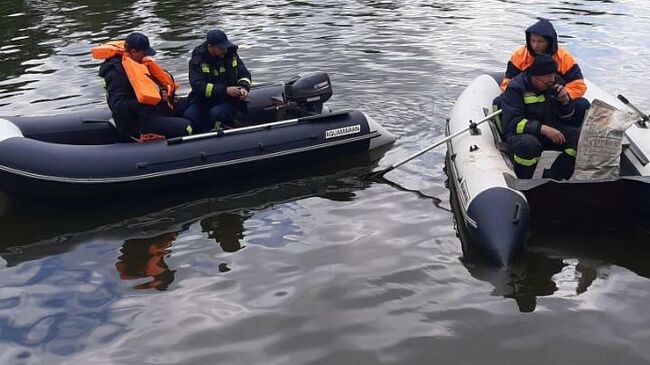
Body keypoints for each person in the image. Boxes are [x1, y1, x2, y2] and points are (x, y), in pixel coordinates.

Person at [92, 32, 193, 140]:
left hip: (150, 110)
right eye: (143, 53)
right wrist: (145, 103)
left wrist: (163, 96)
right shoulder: (117, 74)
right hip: (134, 121)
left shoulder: (138, 64)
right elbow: (117, 105)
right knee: (186, 127)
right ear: (133, 51)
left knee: (191, 102)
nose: (145, 56)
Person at [501, 54, 582, 180]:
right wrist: (542, 129)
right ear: (535, 77)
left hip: (550, 128)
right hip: (522, 133)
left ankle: (555, 176)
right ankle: (524, 179)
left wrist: (565, 102)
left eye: (553, 75)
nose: (552, 80)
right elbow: (512, 123)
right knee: (529, 144)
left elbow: (567, 117)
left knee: (579, 138)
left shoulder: (556, 84)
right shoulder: (516, 88)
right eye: (548, 77)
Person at [499, 18, 589, 127]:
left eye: (540, 41)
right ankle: (504, 133)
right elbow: (506, 85)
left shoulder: (563, 57)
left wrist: (562, 94)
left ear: (549, 42)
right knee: (499, 101)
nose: (535, 45)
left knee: (582, 104)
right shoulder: (519, 55)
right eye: (532, 41)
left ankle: (570, 130)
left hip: (554, 103)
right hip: (526, 103)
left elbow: (578, 85)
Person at [183, 29, 252, 133]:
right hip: (204, 100)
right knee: (190, 115)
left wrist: (244, 88)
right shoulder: (198, 60)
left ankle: (228, 127)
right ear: (210, 47)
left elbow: (244, 74)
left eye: (225, 47)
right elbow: (198, 86)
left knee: (216, 113)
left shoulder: (231, 55)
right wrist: (225, 90)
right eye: (220, 48)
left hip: (230, 99)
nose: (224, 50)